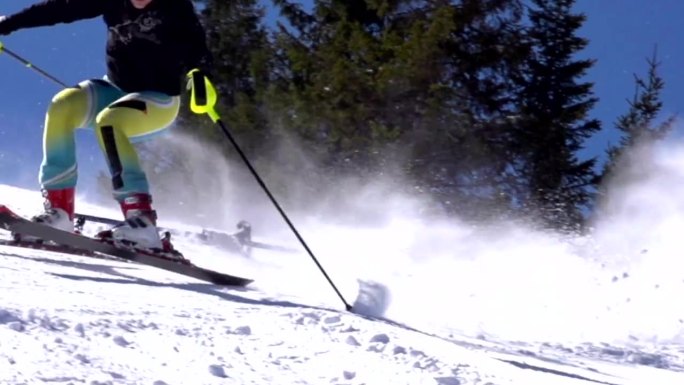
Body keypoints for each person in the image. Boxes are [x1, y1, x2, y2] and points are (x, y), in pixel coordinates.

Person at [0, 0, 214, 251]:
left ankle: (142, 222)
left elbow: (196, 46)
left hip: (158, 100)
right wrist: (8, 23)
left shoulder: (174, 7)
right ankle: (60, 213)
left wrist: (199, 74)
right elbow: (60, 9)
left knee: (109, 122)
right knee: (63, 106)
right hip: (114, 90)